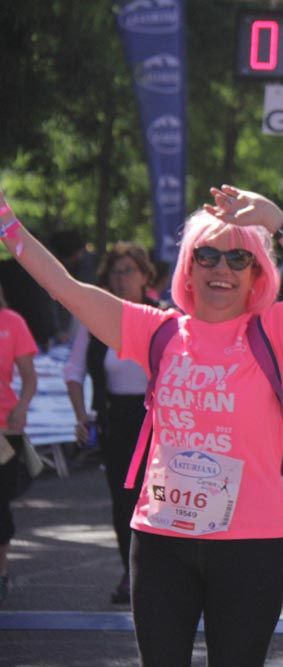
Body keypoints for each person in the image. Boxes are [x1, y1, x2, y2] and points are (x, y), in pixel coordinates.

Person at [0, 183, 283, 665]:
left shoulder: (274, 332)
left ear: (256, 276)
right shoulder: (156, 331)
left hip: (250, 544)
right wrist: (6, 223)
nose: (221, 268)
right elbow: (66, 289)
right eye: (207, 256)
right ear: (188, 266)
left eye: (238, 260)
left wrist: (273, 220)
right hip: (162, 539)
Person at [63, 242, 158, 605]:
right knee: (124, 501)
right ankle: (130, 574)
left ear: (145, 276)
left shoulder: (163, 317)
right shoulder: (97, 320)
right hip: (116, 419)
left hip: (160, 420)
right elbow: (73, 371)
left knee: (159, 500)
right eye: (115, 273)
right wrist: (80, 415)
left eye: (129, 271)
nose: (121, 280)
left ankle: (161, 575)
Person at [0, 284, 37, 604]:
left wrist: (22, 405)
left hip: (4, 429)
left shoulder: (12, 322)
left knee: (1, 501)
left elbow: (29, 375)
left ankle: (1, 571)